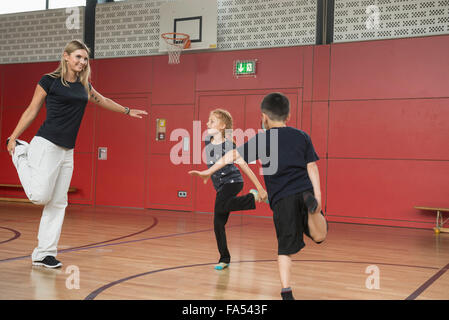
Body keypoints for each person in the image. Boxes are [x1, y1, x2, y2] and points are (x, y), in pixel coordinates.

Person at [5, 39, 148, 269]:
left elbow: (104, 100)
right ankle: (21, 153)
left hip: (67, 150)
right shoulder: (49, 81)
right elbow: (31, 110)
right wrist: (13, 137)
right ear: (66, 56)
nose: (82, 62)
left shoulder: (84, 86)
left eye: (85, 58)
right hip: (46, 144)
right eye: (78, 57)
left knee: (58, 203)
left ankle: (44, 254)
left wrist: (127, 110)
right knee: (40, 197)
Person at [188, 93, 328, 299]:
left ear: (264, 117)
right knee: (320, 236)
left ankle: (287, 293)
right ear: (287, 115)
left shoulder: (263, 139)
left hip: (282, 199)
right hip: (305, 190)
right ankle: (313, 209)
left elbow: (233, 156)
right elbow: (312, 166)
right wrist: (317, 194)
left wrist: (208, 172)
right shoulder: (302, 135)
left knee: (285, 250)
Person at [189, 109, 267, 270]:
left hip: (233, 182)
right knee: (218, 223)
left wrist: (260, 188)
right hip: (220, 186)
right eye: (208, 120)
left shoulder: (229, 146)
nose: (207, 123)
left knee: (222, 206)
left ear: (223, 126)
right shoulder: (207, 140)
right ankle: (224, 258)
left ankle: (253, 197)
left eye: (212, 121)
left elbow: (244, 166)